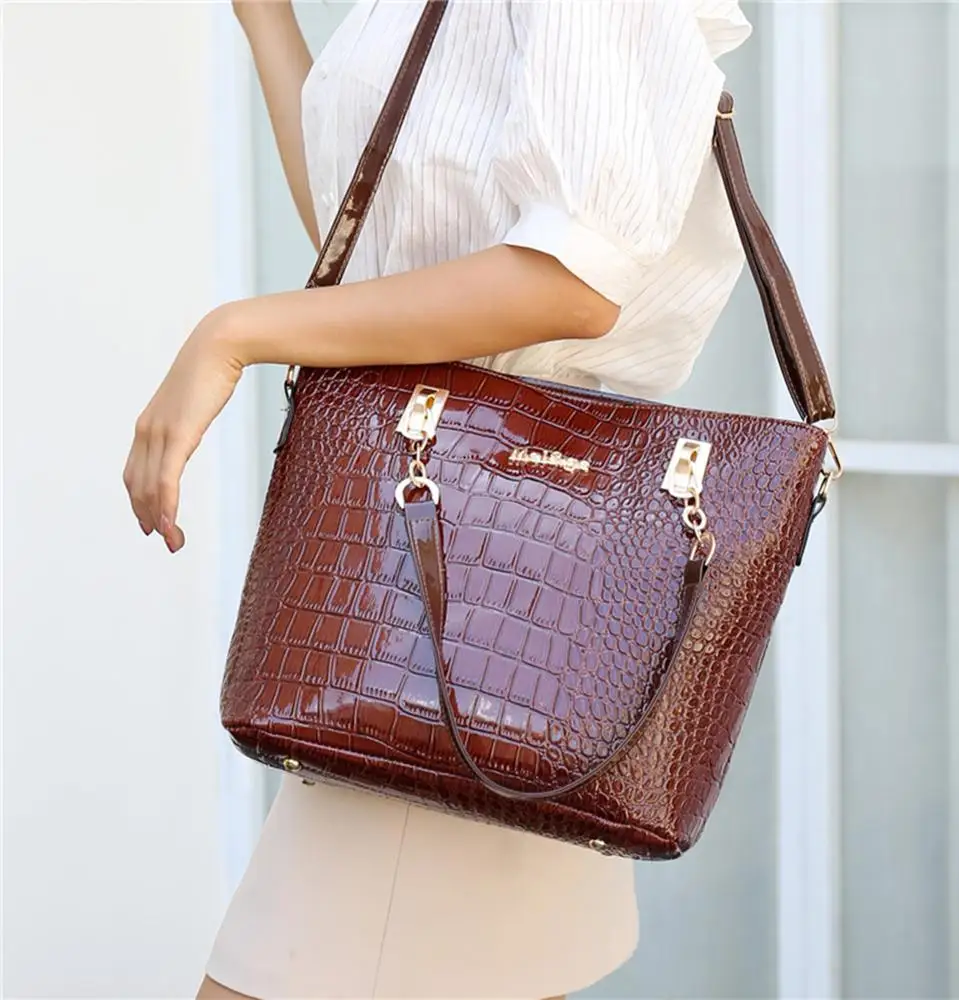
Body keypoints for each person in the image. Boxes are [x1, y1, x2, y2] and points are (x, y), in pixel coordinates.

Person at [122, 0, 752, 996]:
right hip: (462, 633)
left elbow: (573, 279)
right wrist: (264, 18)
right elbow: (375, 244)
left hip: (465, 614)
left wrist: (232, 332)